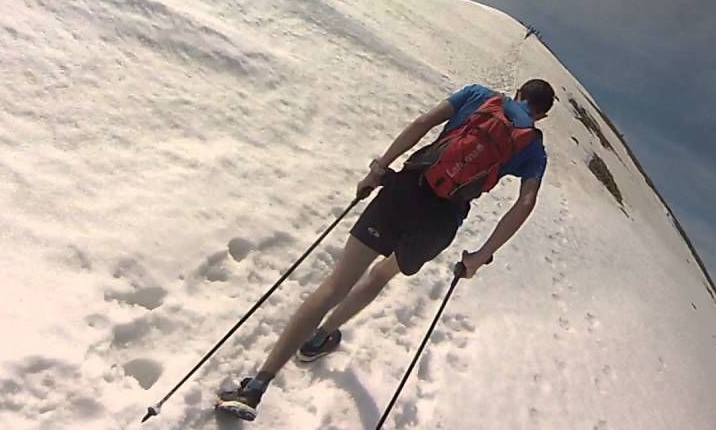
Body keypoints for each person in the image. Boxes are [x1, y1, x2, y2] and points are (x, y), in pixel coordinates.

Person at [215, 79, 556, 421]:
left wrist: (379, 169)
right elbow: (526, 202)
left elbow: (422, 123)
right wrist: (481, 255)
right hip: (439, 222)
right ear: (541, 115)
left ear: (517, 93)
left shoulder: (481, 96)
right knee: (382, 274)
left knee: (336, 284)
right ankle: (318, 340)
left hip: (405, 191)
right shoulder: (533, 149)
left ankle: (256, 387)